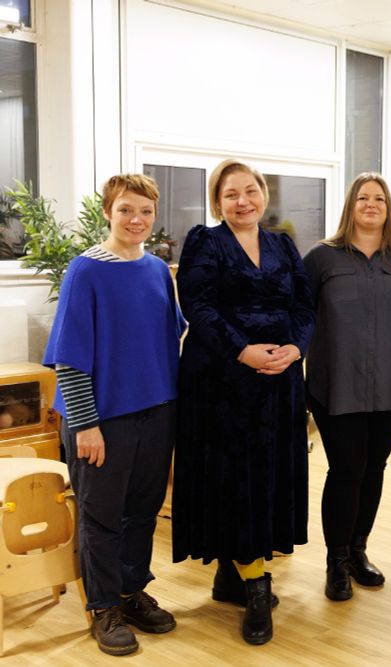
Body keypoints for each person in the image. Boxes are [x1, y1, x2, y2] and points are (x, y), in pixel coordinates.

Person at [172, 159, 314, 645]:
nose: (243, 201)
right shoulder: (204, 242)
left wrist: (296, 348)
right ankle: (256, 586)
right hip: (222, 383)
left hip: (278, 381)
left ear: (263, 195)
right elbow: (198, 307)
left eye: (250, 191)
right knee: (235, 478)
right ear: (217, 201)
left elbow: (304, 305)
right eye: (231, 194)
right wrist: (243, 350)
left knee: (267, 476)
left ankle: (231, 577)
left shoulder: (283, 244)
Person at [43, 174, 185, 656]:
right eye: (126, 209)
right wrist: (85, 425)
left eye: (145, 211)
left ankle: (130, 591)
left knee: (142, 512)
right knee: (101, 517)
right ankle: (103, 606)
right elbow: (69, 358)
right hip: (102, 421)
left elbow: (170, 339)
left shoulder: (157, 270)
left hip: (155, 413)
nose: (136, 219)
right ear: (108, 212)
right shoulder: (85, 270)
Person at [303, 173, 391, 602]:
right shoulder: (322, 259)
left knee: (374, 470)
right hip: (336, 386)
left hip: (390, 386)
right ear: (350, 206)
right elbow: (301, 317)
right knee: (346, 471)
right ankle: (335, 562)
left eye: (379, 199)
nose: (371, 204)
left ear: (388, 208)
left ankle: (358, 552)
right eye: (362, 198)